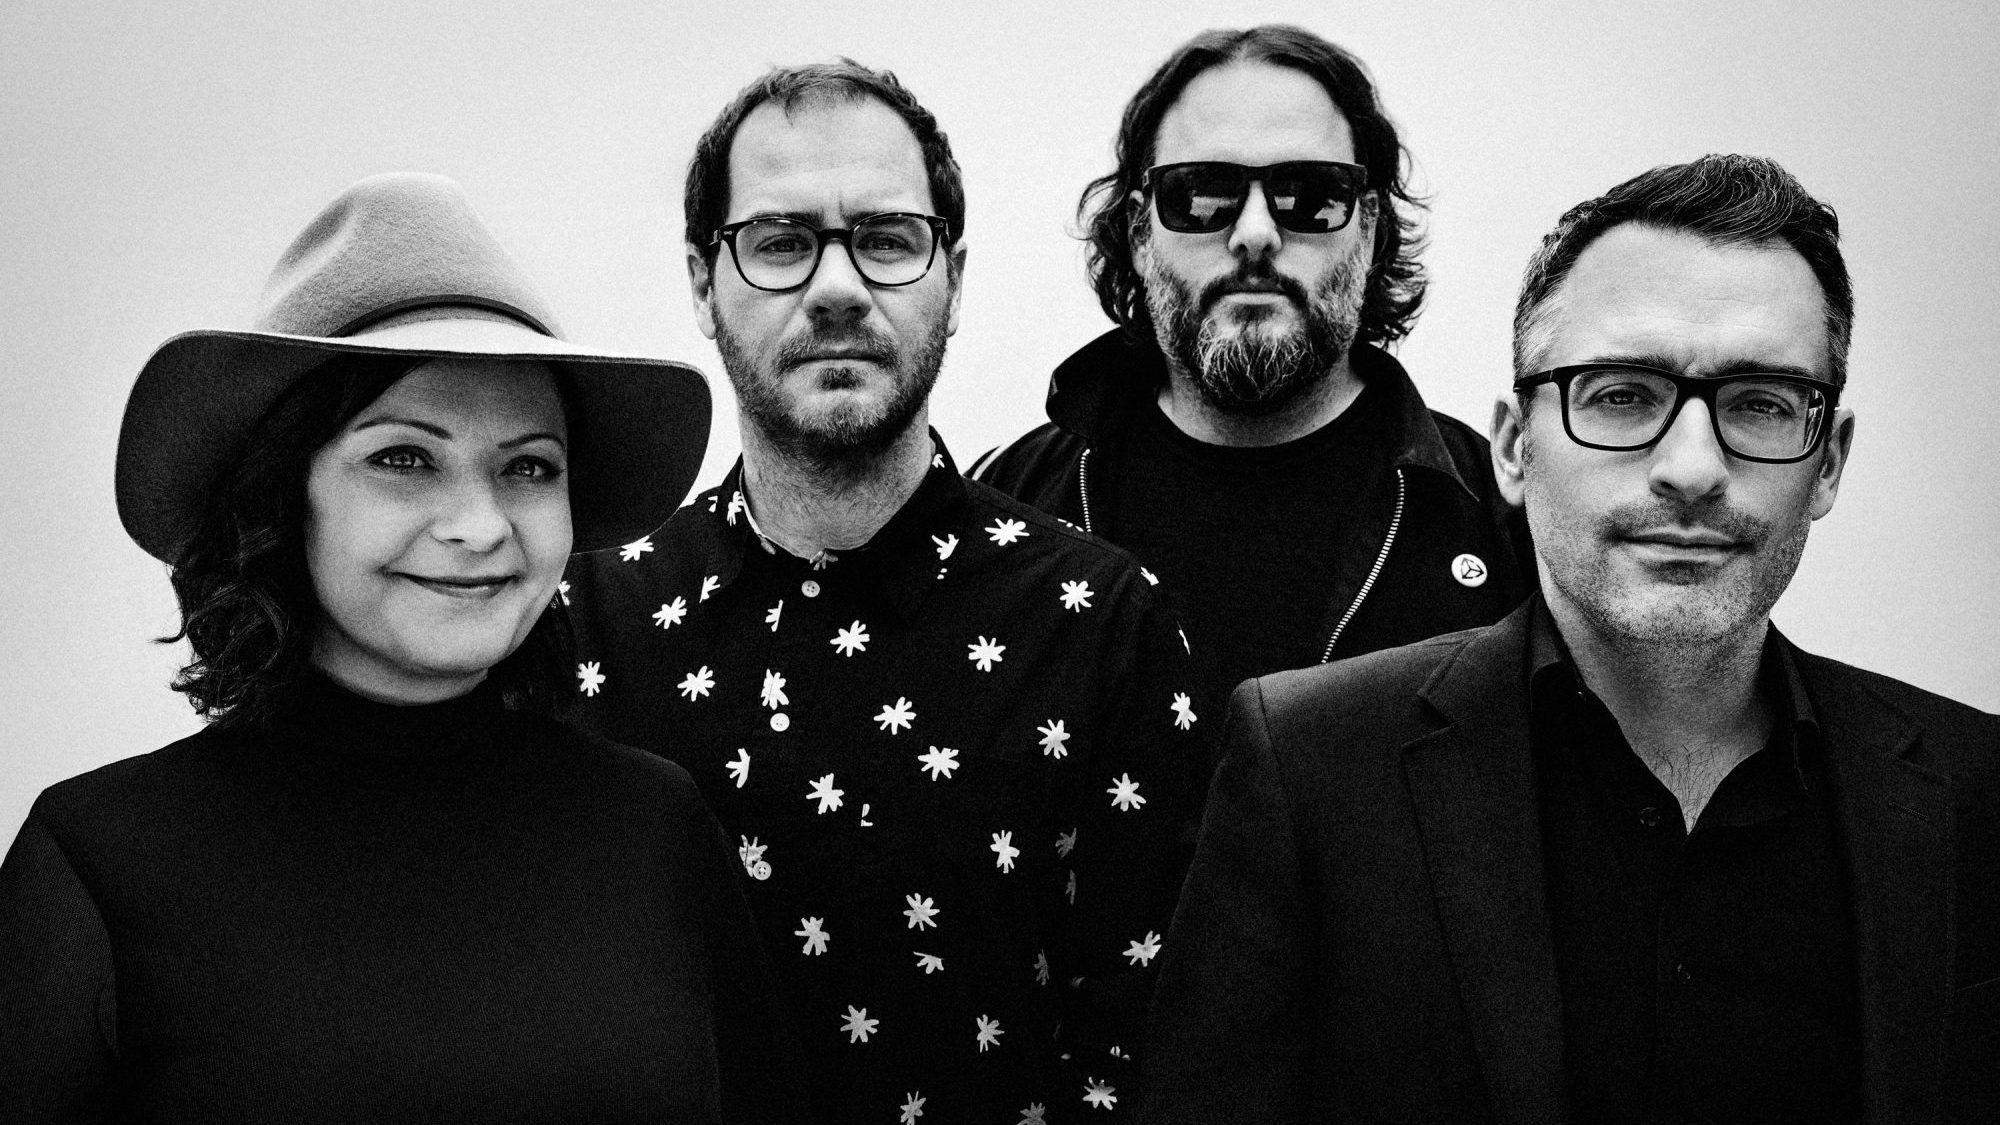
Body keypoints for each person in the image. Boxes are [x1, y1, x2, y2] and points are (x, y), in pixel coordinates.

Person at [1141, 155, 1999, 1123]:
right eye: (1620, 394)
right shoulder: (1311, 768)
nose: (1691, 468)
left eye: (1760, 402)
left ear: (1828, 460)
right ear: (1513, 447)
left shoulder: (1975, 791)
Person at [0, 173, 801, 1123]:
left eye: (529, 466)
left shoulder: (657, 829)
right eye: (404, 457)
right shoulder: (97, 862)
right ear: (279, 495)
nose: (480, 525)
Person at [563, 61, 1206, 1123]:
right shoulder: (587, 626)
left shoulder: (1100, 625)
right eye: (779, 242)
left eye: (887, 238)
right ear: (701, 283)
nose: (835, 286)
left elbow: (1151, 1047)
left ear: (952, 277)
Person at [974, 25, 1530, 713]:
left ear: (1370, 229)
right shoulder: (1009, 502)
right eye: (1201, 193)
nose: (1257, 233)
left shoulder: (1500, 521)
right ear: (1141, 234)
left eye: (1310, 194)